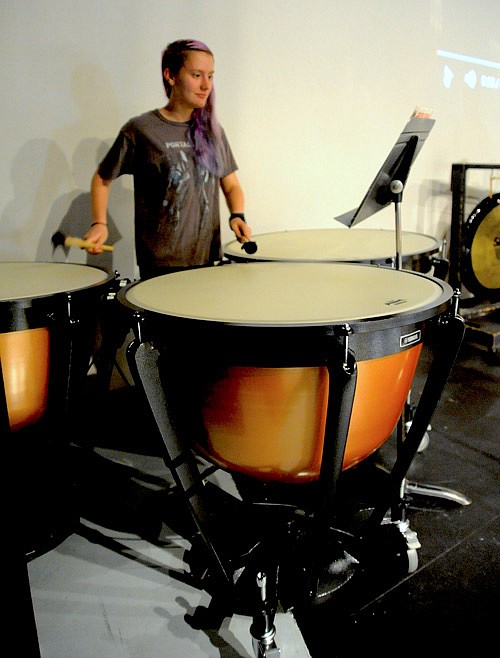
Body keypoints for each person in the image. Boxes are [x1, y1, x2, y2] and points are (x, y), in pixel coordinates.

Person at [84, 39, 251, 279]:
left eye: (210, 76)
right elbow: (102, 177)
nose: (206, 85)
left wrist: (238, 215)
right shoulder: (141, 130)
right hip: (160, 265)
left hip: (207, 259)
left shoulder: (212, 131)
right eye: (196, 75)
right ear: (170, 76)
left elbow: (231, 183)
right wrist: (99, 223)